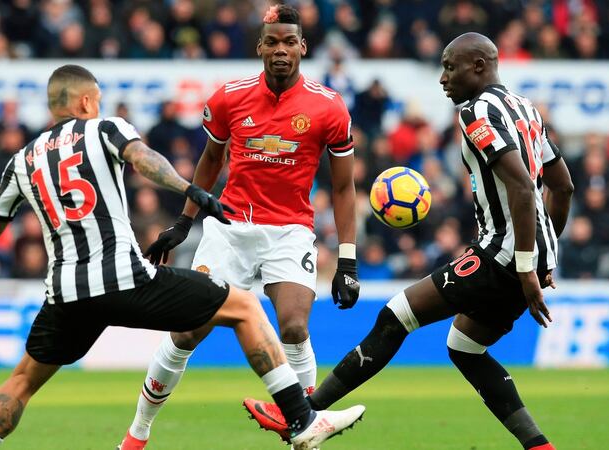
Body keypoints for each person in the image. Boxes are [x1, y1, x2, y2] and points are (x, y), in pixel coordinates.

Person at [0, 65, 364, 450]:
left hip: (65, 294)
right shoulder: (106, 128)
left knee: (21, 381)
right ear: (86, 102)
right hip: (125, 280)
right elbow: (144, 159)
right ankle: (303, 421)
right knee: (243, 308)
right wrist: (191, 192)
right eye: (98, 99)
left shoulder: (21, 161)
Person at [246, 32, 574, 450]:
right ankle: (540, 446)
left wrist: (525, 265)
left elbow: (526, 189)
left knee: (395, 316)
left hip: (504, 255)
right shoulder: (526, 109)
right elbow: (562, 188)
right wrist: (544, 253)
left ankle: (302, 416)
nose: (442, 79)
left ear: (479, 66)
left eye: (450, 68)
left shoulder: (476, 112)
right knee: (465, 346)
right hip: (532, 252)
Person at [122, 5, 361, 449]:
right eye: (272, 42)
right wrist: (183, 222)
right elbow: (211, 160)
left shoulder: (328, 107)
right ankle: (137, 435)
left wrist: (347, 259)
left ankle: (302, 429)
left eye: (289, 41)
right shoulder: (229, 97)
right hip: (228, 229)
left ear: (303, 48)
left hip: (289, 230)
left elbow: (345, 187)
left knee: (293, 327)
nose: (281, 50)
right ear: (260, 48)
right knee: (187, 331)